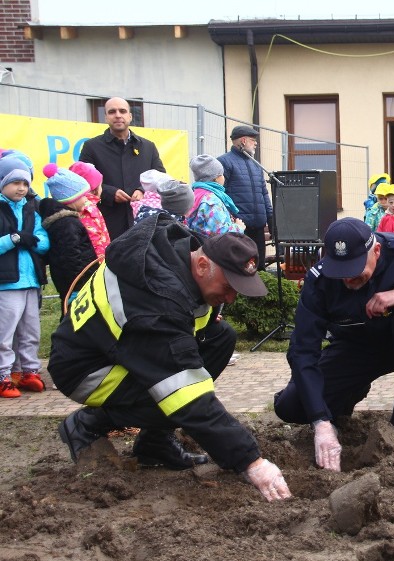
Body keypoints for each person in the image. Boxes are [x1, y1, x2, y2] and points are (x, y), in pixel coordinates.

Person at [50, 217, 291, 501]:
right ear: (202, 266)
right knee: (175, 394)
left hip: (114, 348)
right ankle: (88, 423)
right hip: (86, 371)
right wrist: (251, 461)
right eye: (228, 287)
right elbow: (187, 396)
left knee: (220, 337)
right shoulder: (158, 300)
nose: (231, 298)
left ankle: (154, 443)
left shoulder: (180, 255)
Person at [273, 218, 394, 466]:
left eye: (355, 270)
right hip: (354, 349)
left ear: (376, 251)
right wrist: (320, 421)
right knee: (290, 406)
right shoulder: (320, 279)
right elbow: (303, 351)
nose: (347, 279)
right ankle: (345, 401)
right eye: (340, 272)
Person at [78, 97, 165, 240]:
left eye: (122, 111)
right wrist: (109, 193)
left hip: (144, 221)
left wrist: (141, 189)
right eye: (112, 112)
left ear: (130, 116)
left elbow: (160, 175)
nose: (118, 115)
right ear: (106, 117)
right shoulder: (91, 147)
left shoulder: (148, 147)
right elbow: (83, 182)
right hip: (108, 222)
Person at [0, 157, 49, 397]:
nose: (21, 188)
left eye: (25, 183)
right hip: (6, 282)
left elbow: (42, 240)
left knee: (30, 330)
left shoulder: (31, 208)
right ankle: (3, 375)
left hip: (30, 280)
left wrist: (34, 241)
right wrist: (13, 239)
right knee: (4, 332)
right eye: (15, 182)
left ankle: (29, 371)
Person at [218, 126, 273, 264]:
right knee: (242, 267)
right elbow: (220, 194)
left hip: (258, 227)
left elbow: (264, 193)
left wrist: (271, 219)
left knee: (259, 267)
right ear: (243, 140)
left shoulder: (255, 164)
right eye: (253, 140)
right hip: (239, 228)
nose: (256, 143)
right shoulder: (224, 162)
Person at [43, 164, 110, 259]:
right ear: (95, 189)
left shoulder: (83, 207)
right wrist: (101, 262)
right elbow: (94, 239)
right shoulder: (87, 209)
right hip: (96, 262)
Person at [186, 155, 244, 237]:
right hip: (211, 247)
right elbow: (221, 231)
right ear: (216, 178)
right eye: (222, 174)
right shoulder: (211, 201)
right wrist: (239, 227)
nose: (224, 177)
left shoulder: (195, 194)